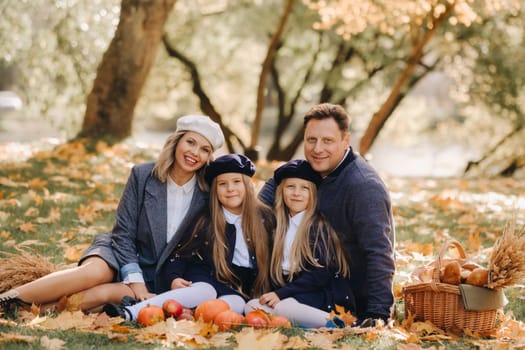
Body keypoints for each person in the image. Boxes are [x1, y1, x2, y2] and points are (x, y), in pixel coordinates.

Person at [0, 115, 224, 313]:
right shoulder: (143, 175)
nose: (195, 153)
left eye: (204, 149)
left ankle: (22, 313)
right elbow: (123, 233)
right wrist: (134, 280)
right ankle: (6, 300)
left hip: (155, 274)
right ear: (177, 142)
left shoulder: (207, 194)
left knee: (99, 295)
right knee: (94, 274)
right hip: (119, 251)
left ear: (208, 157)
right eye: (190, 142)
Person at [259, 103, 396, 326]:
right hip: (302, 282)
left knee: (278, 309)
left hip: (343, 294)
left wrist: (378, 314)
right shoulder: (312, 170)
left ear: (346, 141)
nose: (317, 149)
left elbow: (379, 251)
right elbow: (257, 212)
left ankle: (334, 322)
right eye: (311, 140)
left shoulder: (362, 186)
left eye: (328, 141)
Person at [102, 154, 275, 320]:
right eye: (222, 184)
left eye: (237, 182)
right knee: (205, 292)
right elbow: (179, 253)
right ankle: (131, 312)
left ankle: (187, 313)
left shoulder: (264, 218)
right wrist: (174, 277)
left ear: (247, 185)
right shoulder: (206, 219)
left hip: (237, 289)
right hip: (206, 277)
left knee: (236, 305)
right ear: (215, 190)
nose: (230, 189)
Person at [245, 159, 352, 328]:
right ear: (281, 191)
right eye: (290, 187)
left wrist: (280, 294)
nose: (296, 193)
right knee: (252, 305)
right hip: (292, 292)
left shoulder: (317, 227)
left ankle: (338, 325)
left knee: (284, 306)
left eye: (304, 188)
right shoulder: (278, 225)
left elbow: (320, 275)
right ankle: (301, 324)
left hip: (320, 292)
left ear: (314, 194)